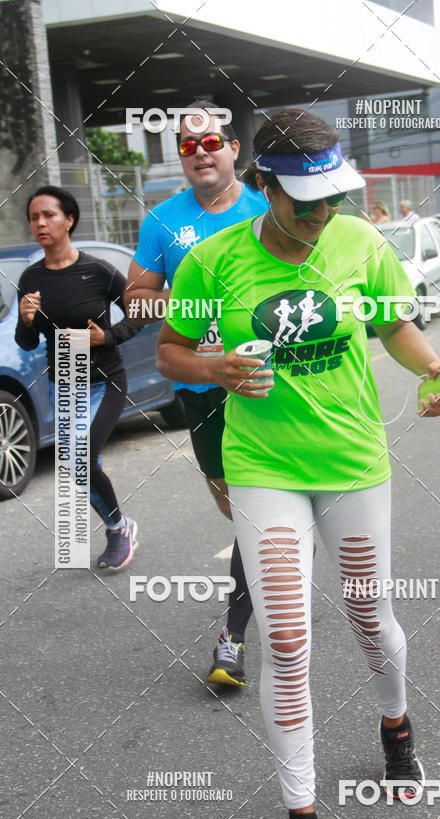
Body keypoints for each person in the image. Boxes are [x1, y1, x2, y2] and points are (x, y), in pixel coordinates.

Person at [156, 108, 440, 819]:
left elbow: (396, 326)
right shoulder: (215, 262)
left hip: (353, 463)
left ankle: (395, 722)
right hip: (262, 465)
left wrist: (435, 372)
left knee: (369, 616)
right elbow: (170, 351)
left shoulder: (361, 243)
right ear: (263, 186)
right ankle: (302, 818)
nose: (323, 213)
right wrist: (213, 369)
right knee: (287, 638)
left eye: (333, 196)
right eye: (304, 200)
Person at [125, 99, 267, 686]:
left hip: (264, 379)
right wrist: (193, 306)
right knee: (231, 501)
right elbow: (136, 301)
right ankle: (267, 558)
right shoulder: (163, 220)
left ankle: (231, 635)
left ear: (234, 148)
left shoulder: (269, 209)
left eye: (212, 143)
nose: (201, 153)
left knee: (257, 506)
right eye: (189, 145)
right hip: (200, 383)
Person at [15, 186, 141, 570]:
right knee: (76, 463)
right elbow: (26, 342)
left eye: (48, 215)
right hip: (65, 382)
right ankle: (120, 525)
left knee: (81, 456)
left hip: (106, 379)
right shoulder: (31, 277)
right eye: (34, 217)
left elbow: (138, 313)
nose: (40, 223)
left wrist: (108, 335)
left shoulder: (98, 271)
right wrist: (25, 320)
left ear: (69, 219)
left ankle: (118, 531)